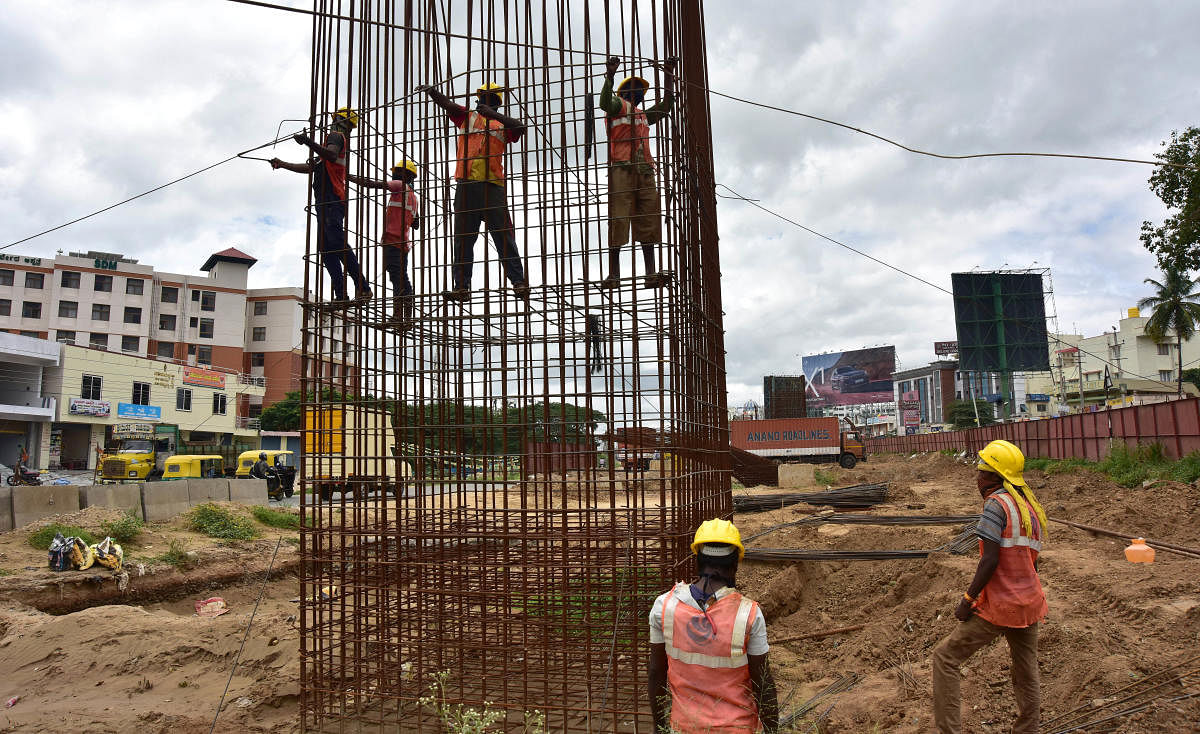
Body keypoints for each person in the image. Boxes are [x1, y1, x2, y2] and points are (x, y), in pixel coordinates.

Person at [933, 439, 1049, 734]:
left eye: (982, 472)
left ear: (995, 477)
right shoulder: (1030, 510)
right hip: (1029, 604)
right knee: (1026, 673)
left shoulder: (995, 506)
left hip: (1000, 605)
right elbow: (1032, 564)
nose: (978, 477)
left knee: (945, 658)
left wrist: (967, 598)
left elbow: (990, 560)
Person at [648, 518, 779, 734]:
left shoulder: (664, 606)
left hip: (684, 728)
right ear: (735, 564)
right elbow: (763, 684)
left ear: (697, 560)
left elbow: (656, 672)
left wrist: (659, 727)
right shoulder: (749, 614)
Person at [416, 81, 530, 302]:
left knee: (503, 236)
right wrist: (432, 92)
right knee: (463, 238)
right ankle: (461, 287)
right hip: (466, 185)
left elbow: (521, 128)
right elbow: (448, 105)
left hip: (492, 186)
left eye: (486, 100)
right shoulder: (467, 117)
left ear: (495, 103)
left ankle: (518, 282)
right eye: (480, 100)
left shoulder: (501, 125)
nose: (480, 103)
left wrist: (494, 116)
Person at [270, 107, 372, 307]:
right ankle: (341, 293)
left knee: (336, 242)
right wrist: (282, 164)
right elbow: (312, 167)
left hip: (332, 198)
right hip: (324, 200)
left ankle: (363, 287)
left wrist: (308, 142)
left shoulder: (335, 136)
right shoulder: (332, 140)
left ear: (338, 120)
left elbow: (332, 156)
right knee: (325, 249)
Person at [598, 56, 675, 290]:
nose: (639, 93)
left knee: (648, 218)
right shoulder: (617, 105)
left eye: (641, 91)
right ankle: (614, 274)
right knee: (619, 218)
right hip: (621, 167)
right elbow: (604, 102)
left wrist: (669, 77)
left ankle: (650, 273)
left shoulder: (642, 114)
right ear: (623, 93)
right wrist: (609, 77)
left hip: (644, 169)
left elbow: (664, 108)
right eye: (635, 89)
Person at [348, 160, 422, 325]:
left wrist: (349, 177)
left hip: (393, 240)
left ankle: (398, 316)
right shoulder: (413, 196)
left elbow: (372, 184)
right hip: (402, 242)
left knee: (398, 277)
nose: (395, 174)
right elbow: (416, 224)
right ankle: (406, 317)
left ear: (408, 175)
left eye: (399, 171)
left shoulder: (399, 185)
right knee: (401, 277)